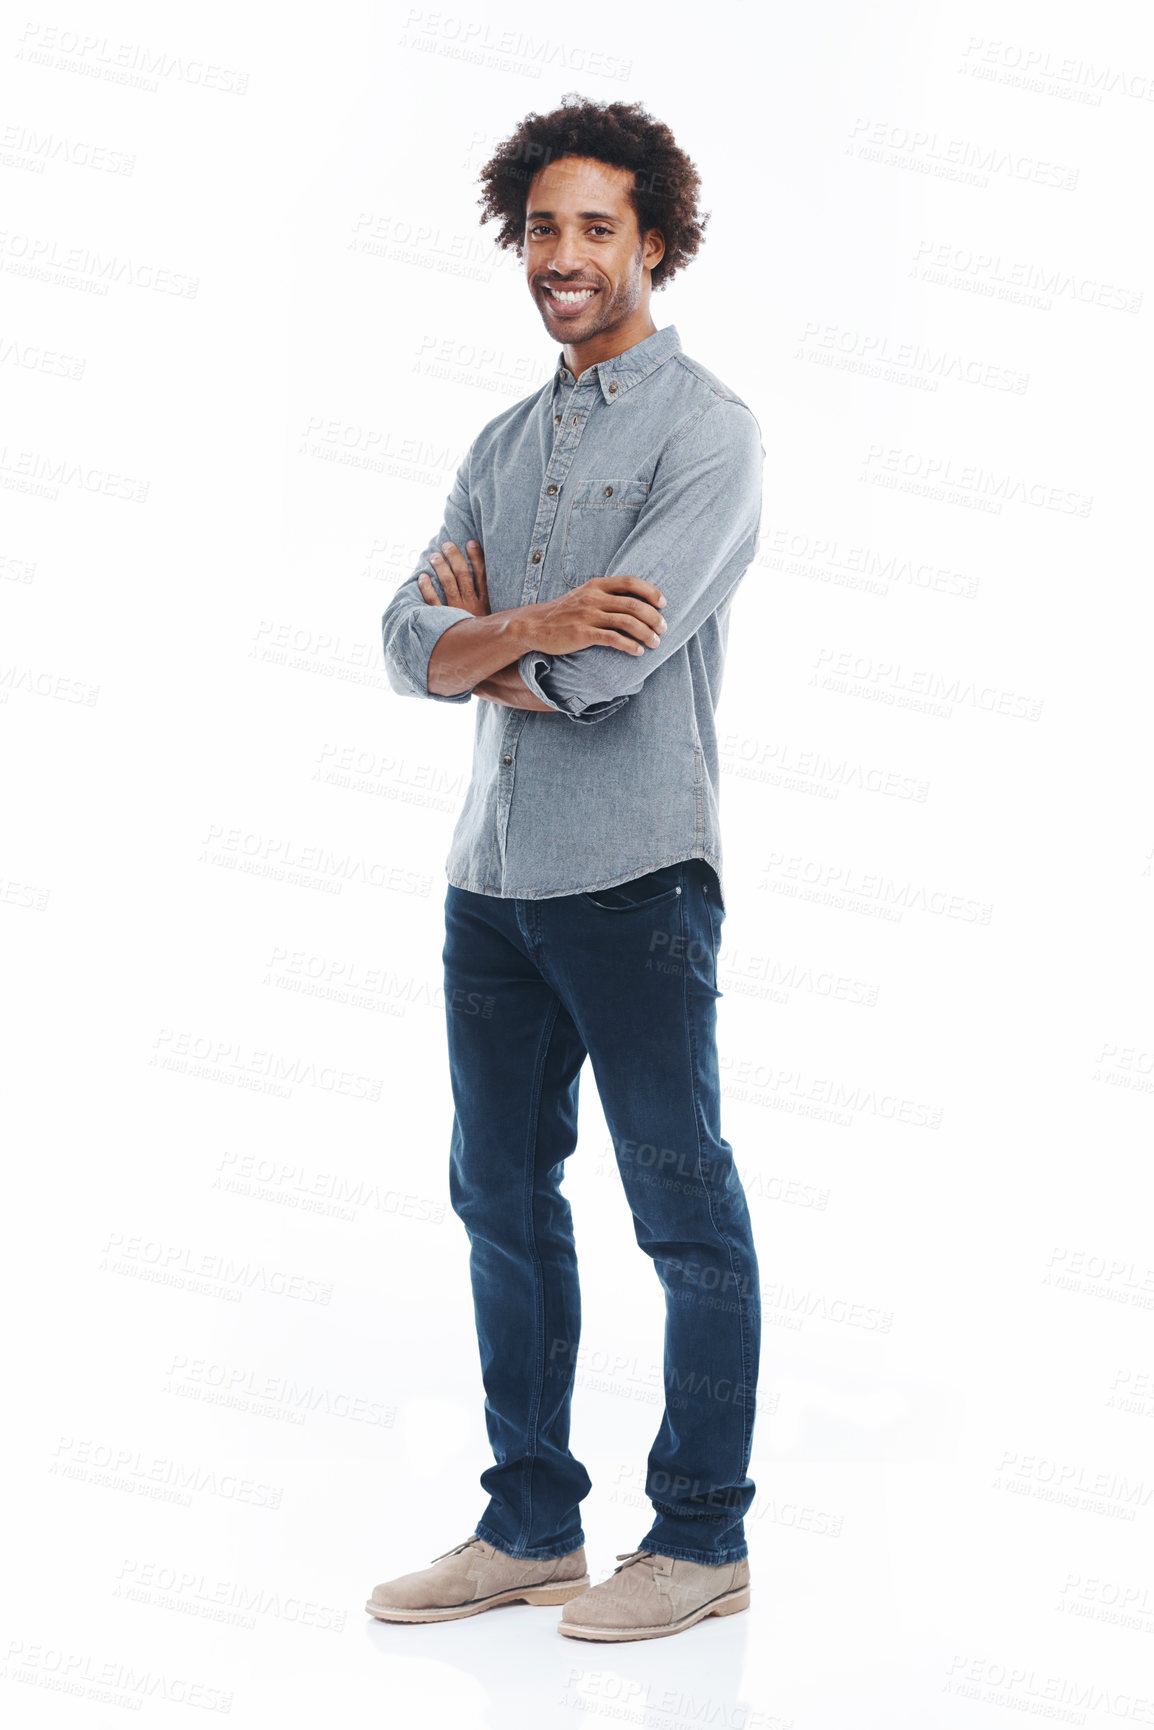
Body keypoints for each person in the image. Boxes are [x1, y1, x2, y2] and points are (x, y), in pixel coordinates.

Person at [367, 93, 765, 1643]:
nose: (563, 254)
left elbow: (617, 676)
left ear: (653, 242)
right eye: (542, 227)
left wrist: (484, 640)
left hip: (635, 884)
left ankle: (699, 1535)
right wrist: (524, 625)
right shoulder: (498, 442)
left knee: (681, 1208)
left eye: (595, 227)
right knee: (498, 1196)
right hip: (493, 886)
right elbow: (403, 643)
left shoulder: (709, 434)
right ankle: (530, 1521)